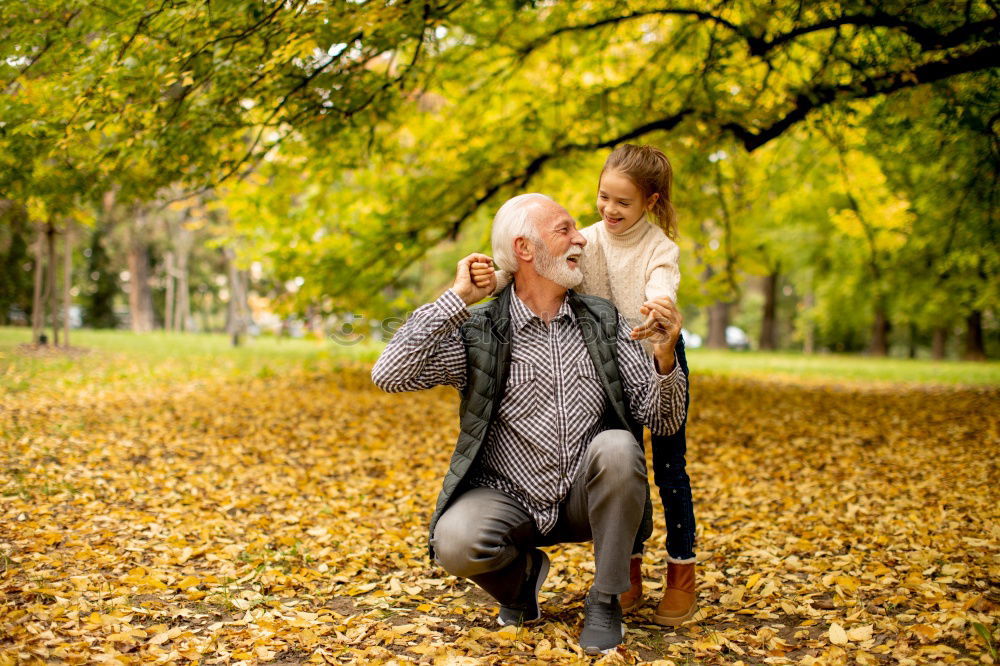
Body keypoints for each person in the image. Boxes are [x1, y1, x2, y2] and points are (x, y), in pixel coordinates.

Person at [371, 193, 687, 655]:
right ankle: (521, 586)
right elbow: (390, 373)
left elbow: (664, 419)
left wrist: (664, 358)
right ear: (524, 249)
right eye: (565, 230)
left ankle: (605, 599)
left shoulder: (603, 321)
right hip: (507, 495)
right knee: (455, 541)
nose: (582, 238)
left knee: (619, 446)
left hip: (585, 497)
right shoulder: (479, 331)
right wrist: (458, 298)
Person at [578, 143, 696, 626]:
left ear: (649, 202)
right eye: (604, 196)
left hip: (657, 349)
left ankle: (681, 573)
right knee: (625, 468)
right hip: (607, 365)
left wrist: (658, 308)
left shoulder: (660, 248)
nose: (609, 209)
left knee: (670, 470)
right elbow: (542, 262)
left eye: (623, 202)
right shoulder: (585, 240)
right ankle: (624, 570)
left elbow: (661, 282)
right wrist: (497, 272)